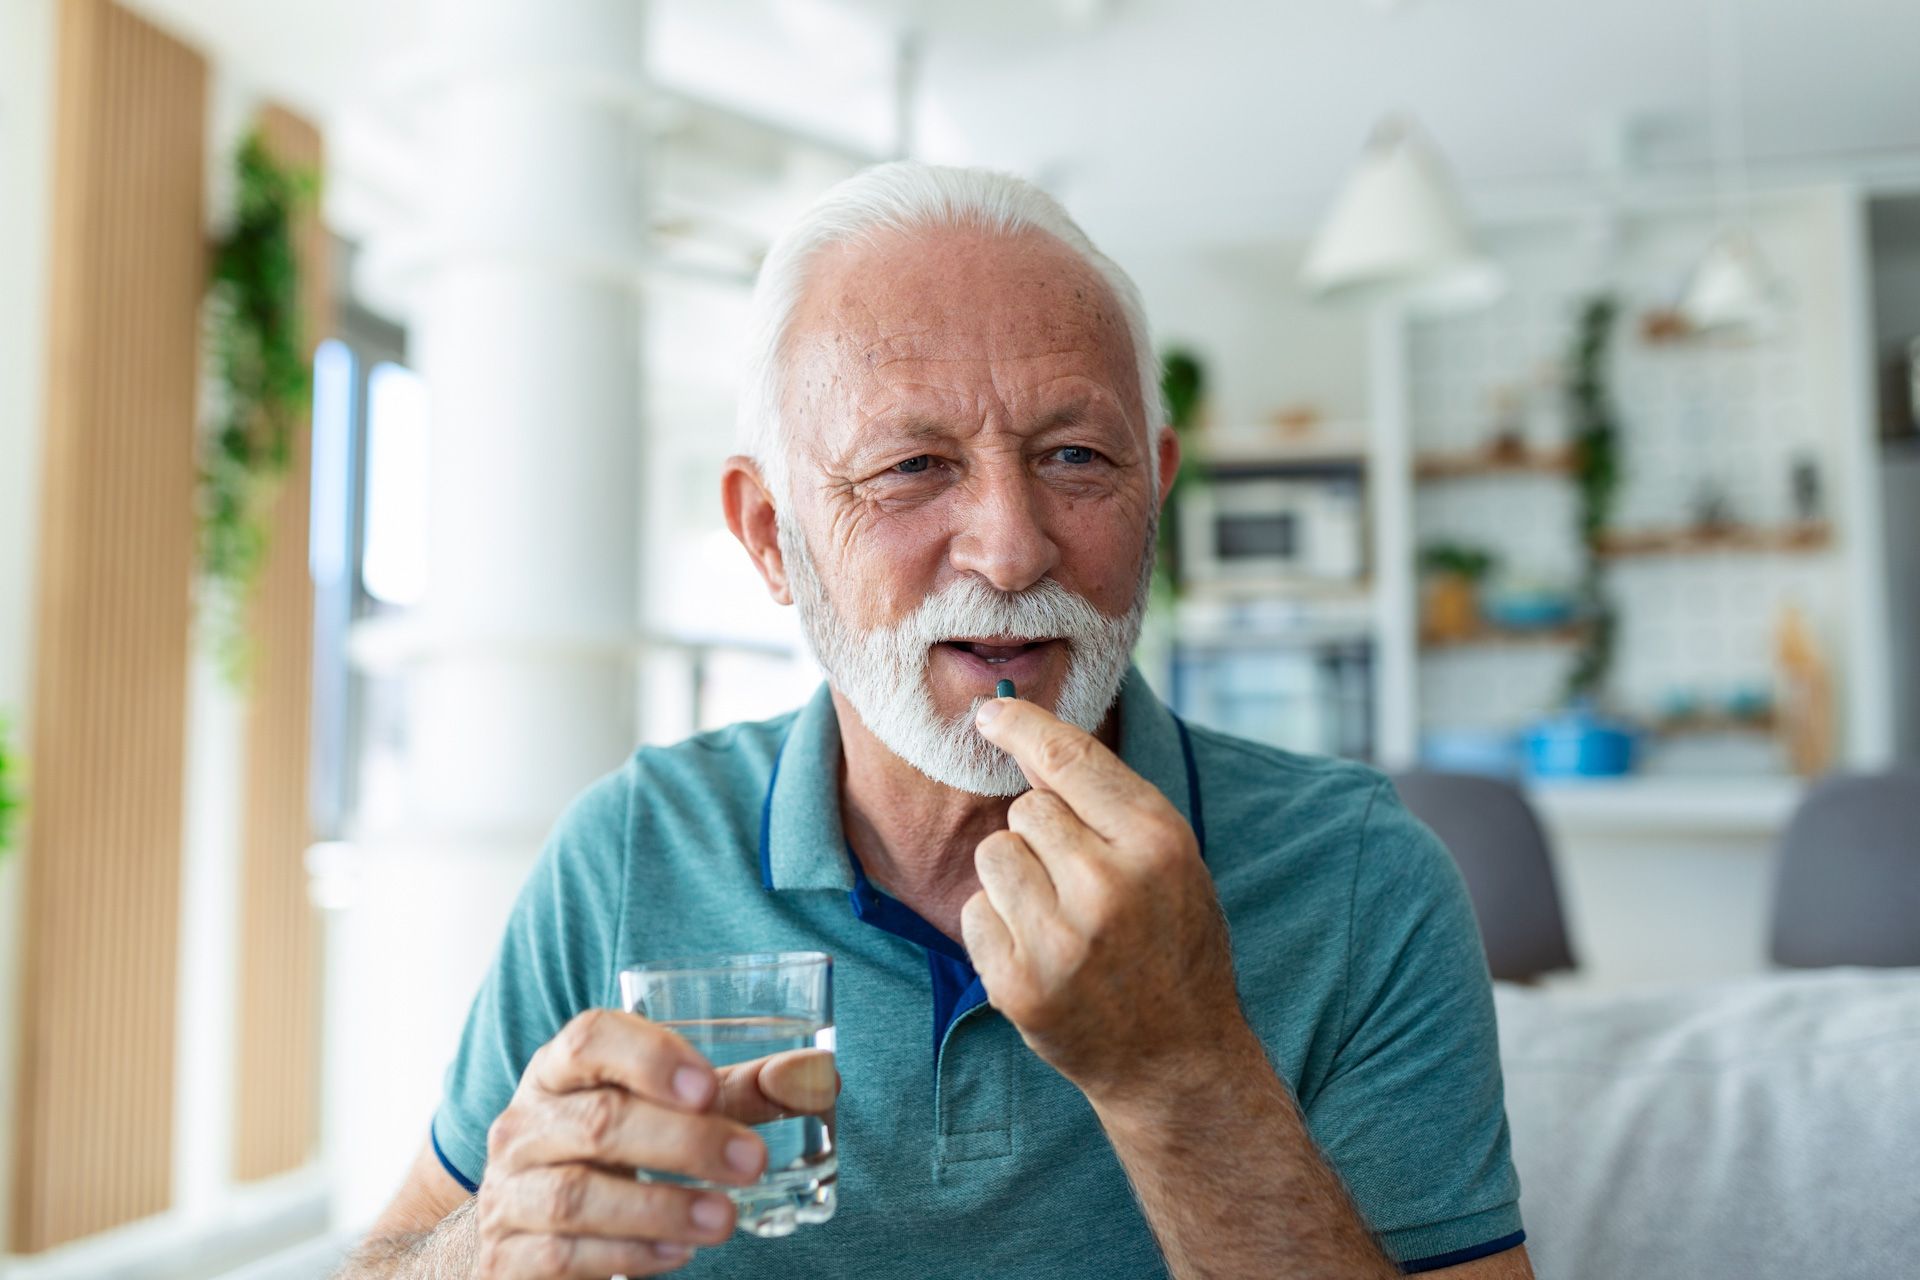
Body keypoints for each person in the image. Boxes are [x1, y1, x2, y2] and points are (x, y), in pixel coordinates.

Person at [340, 161, 1532, 1279]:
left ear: (1154, 488)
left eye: (1075, 455)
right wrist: (490, 1242)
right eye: (912, 465)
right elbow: (389, 1255)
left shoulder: (1362, 875)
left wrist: (1180, 1073)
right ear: (770, 535)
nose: (1012, 549)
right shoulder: (629, 850)